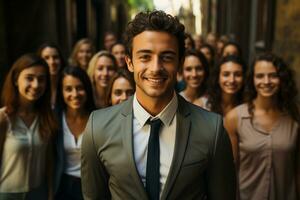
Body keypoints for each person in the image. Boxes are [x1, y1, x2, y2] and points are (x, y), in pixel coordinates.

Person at [81, 10, 236, 200]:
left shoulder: (212, 130)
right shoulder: (98, 127)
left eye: (167, 57)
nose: (155, 68)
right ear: (129, 62)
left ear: (179, 64)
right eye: (145, 57)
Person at [224, 53, 300, 200]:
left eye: (273, 76)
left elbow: (297, 169)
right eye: (260, 76)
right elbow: (230, 171)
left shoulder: (295, 116)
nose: (266, 81)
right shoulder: (235, 118)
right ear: (252, 79)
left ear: (282, 78)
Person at [0, 53, 57, 199]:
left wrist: (50, 194)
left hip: (39, 194)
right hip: (7, 194)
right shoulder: (4, 118)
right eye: (29, 78)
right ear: (15, 79)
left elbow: (49, 162)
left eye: (41, 79)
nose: (36, 85)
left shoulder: (47, 117)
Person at [54, 66, 95, 200]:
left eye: (80, 88)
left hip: (91, 186)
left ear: (87, 89)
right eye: (68, 89)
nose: (75, 94)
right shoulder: (55, 119)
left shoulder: (98, 118)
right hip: (62, 186)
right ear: (61, 92)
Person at [37, 42, 66, 108]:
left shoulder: (68, 83)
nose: (52, 62)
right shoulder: (36, 86)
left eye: (55, 57)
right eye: (46, 58)